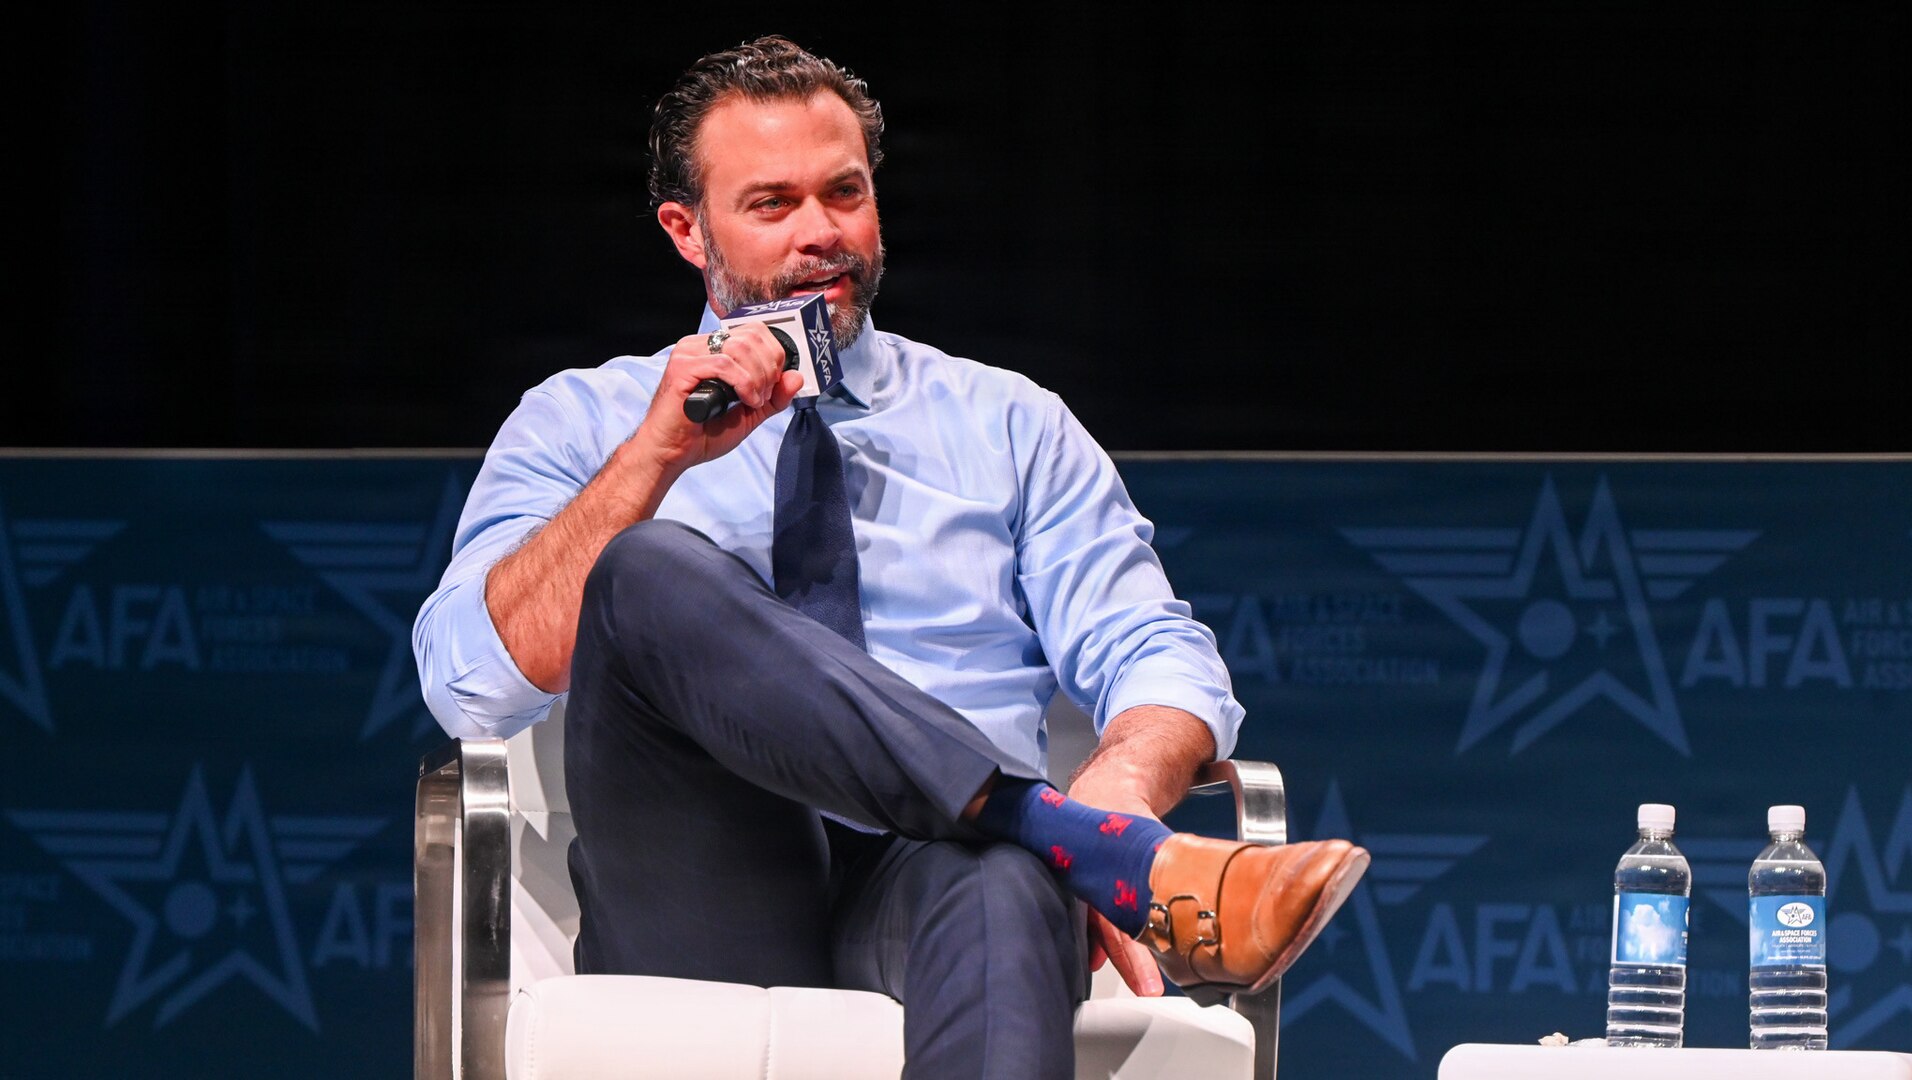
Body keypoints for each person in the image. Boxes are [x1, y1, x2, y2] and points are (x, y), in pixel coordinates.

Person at [413, 35, 1367, 1079]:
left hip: (938, 883)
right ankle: (1068, 840)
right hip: (703, 876)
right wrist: (655, 459)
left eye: (845, 193)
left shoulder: (1009, 425)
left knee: (1010, 888)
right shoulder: (588, 422)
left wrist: (1125, 782)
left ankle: (1055, 835)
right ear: (687, 232)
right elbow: (470, 686)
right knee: (644, 571)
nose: (822, 234)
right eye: (772, 204)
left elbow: (1156, 652)